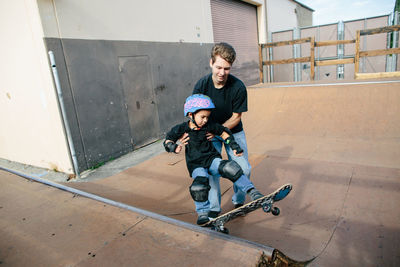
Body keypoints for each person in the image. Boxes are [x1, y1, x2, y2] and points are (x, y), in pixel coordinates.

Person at [164, 94, 264, 225]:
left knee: (230, 168)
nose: (205, 120)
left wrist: (234, 145)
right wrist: (173, 146)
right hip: (196, 165)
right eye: (202, 117)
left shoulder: (209, 125)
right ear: (190, 114)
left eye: (207, 117)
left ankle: (252, 192)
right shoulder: (182, 129)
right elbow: (168, 140)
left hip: (211, 159)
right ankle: (203, 213)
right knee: (199, 185)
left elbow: (224, 132)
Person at [192, 42, 252, 218]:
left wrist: (219, 131)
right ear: (211, 62)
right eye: (218, 67)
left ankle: (239, 199)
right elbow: (194, 115)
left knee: (244, 169)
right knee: (211, 170)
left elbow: (237, 117)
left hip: (233, 131)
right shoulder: (201, 86)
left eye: (226, 69)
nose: (222, 73)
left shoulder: (238, 87)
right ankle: (214, 207)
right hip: (209, 134)